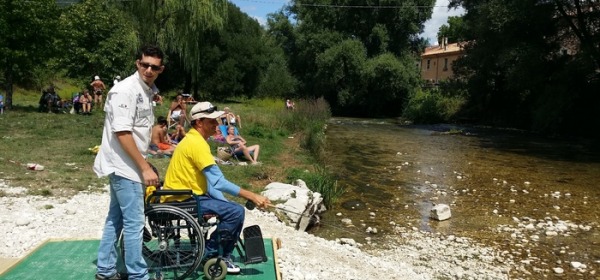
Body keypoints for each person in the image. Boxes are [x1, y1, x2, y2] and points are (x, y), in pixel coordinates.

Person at [162, 101, 271, 274]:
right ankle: (211, 254)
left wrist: (225, 202)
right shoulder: (196, 144)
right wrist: (251, 196)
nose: (217, 125)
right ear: (199, 122)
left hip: (187, 195)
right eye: (212, 121)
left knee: (232, 209)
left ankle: (218, 250)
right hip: (182, 199)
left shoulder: (194, 140)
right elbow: (219, 181)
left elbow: (210, 182)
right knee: (235, 212)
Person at [93, 45, 164, 280]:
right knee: (134, 223)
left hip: (126, 165)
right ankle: (138, 275)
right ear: (138, 64)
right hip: (124, 167)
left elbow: (138, 130)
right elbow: (122, 133)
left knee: (116, 218)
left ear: (160, 69)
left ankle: (105, 269)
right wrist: (143, 167)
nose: (149, 70)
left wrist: (145, 160)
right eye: (145, 65)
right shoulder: (126, 90)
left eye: (154, 67)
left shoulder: (146, 90)